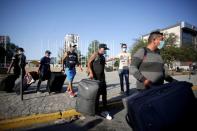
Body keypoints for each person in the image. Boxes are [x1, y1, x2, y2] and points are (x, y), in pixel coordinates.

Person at [88, 44, 112, 120]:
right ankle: (96, 110)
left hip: (102, 78)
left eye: (105, 49)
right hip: (95, 78)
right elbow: (89, 63)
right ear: (100, 48)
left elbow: (102, 64)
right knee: (97, 94)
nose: (105, 50)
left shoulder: (103, 56)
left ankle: (105, 110)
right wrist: (91, 73)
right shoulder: (95, 54)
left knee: (104, 93)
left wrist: (110, 59)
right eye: (104, 49)